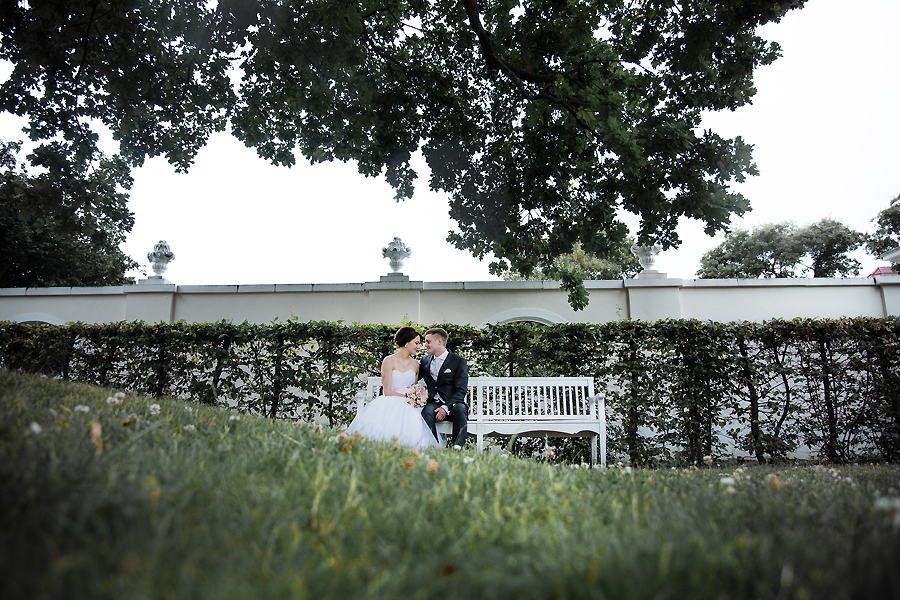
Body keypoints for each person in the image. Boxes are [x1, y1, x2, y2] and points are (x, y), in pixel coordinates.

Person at [347, 327, 441, 448]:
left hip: (410, 403)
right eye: (416, 343)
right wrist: (408, 396)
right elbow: (387, 391)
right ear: (407, 342)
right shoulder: (389, 361)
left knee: (416, 417)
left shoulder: (416, 364)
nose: (419, 346)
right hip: (391, 400)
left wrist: (416, 396)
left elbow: (415, 387)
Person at [419, 327, 468, 446]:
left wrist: (446, 407)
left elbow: (461, 390)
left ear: (439, 341)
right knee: (426, 411)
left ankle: (458, 449)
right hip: (433, 403)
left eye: (428, 342)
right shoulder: (425, 360)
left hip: (453, 403)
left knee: (460, 410)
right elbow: (414, 376)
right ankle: (434, 447)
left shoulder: (458, 362)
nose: (425, 345)